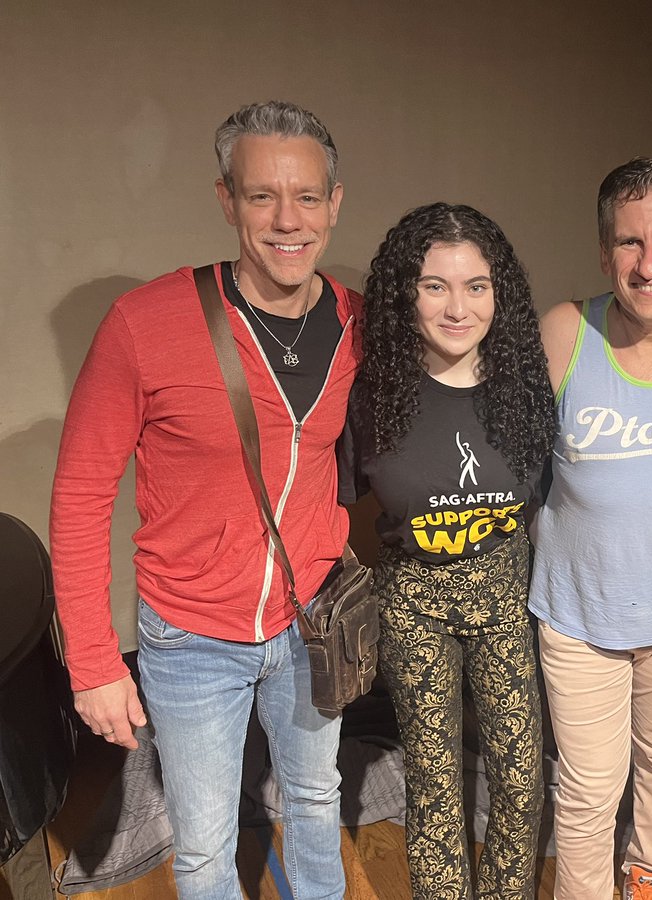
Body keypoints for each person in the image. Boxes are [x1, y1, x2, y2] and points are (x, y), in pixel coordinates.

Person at [49, 101, 357, 899]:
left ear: (335, 203)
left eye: (307, 198)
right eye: (262, 196)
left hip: (311, 621)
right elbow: (82, 491)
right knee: (204, 848)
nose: (287, 220)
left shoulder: (360, 325)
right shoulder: (145, 323)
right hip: (190, 637)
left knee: (318, 800)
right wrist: (91, 662)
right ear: (227, 201)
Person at [338, 203, 556, 899]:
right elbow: (326, 499)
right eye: (435, 285)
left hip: (505, 597)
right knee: (433, 787)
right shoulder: (373, 392)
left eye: (476, 285)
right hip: (413, 602)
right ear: (407, 292)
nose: (457, 307)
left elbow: (554, 498)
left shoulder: (526, 387)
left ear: (501, 293)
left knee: (521, 779)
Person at [532, 158, 652, 900]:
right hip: (580, 618)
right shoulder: (564, 332)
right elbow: (503, 452)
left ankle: (648, 874)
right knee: (586, 789)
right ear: (604, 252)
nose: (649, 264)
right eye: (628, 243)